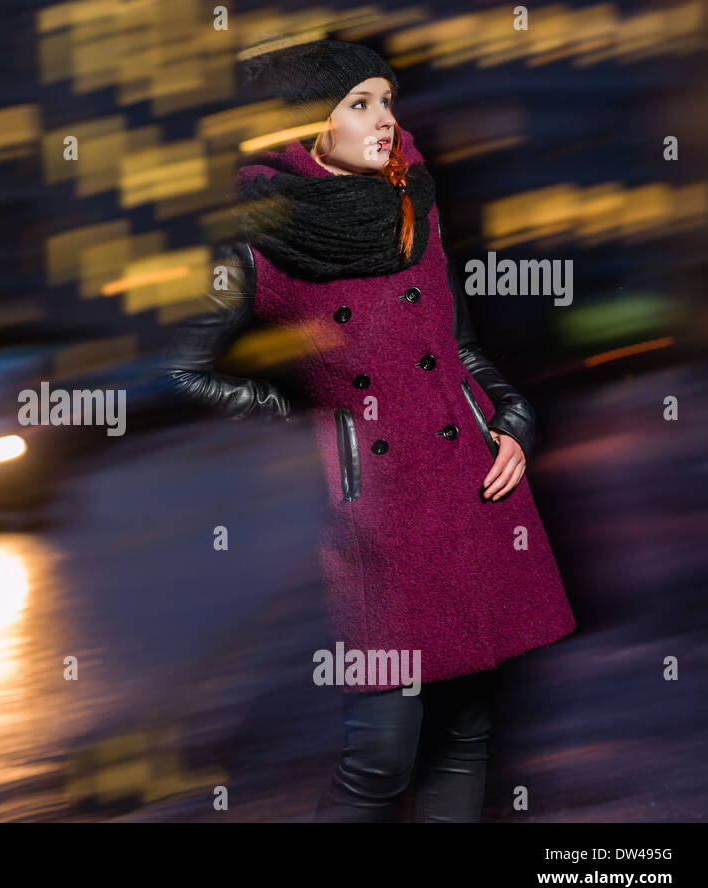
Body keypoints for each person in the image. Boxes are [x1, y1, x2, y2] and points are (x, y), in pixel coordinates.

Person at [158, 38, 577, 822]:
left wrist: (514, 420)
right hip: (376, 517)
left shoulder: (413, 202)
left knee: (466, 734)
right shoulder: (257, 241)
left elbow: (460, 348)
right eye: (361, 103)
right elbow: (185, 367)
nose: (385, 119)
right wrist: (310, 413)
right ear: (309, 123)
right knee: (378, 759)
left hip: (472, 488)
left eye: (387, 100)